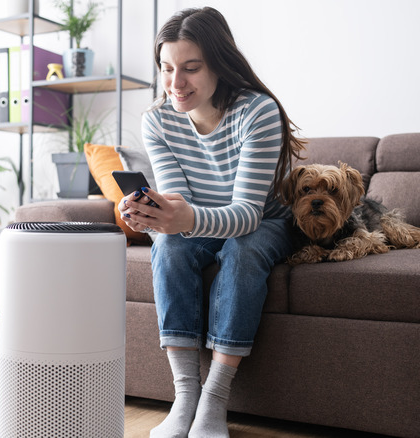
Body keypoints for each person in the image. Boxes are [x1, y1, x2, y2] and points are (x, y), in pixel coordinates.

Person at [119, 7, 306, 437]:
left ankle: (214, 401)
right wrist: (153, 214)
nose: (175, 83)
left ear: (219, 64)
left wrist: (183, 216)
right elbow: (176, 202)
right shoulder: (158, 120)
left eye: (190, 68)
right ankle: (185, 398)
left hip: (263, 222)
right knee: (167, 245)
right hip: (200, 222)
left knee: (242, 250)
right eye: (166, 69)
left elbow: (246, 215)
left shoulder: (256, 112)